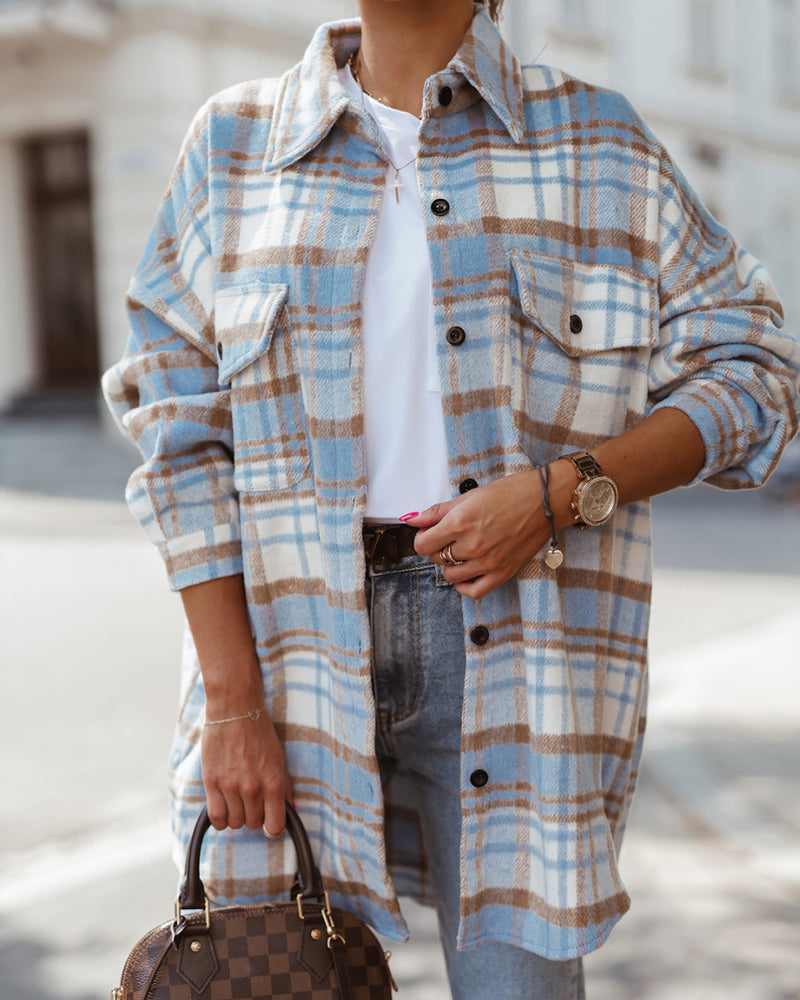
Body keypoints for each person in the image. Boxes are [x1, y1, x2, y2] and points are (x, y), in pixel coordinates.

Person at [102, 1, 799, 997]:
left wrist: (564, 492)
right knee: (268, 975)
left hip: (516, 650)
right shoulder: (233, 143)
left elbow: (757, 370)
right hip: (283, 654)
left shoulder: (596, 142)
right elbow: (173, 421)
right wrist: (230, 699)